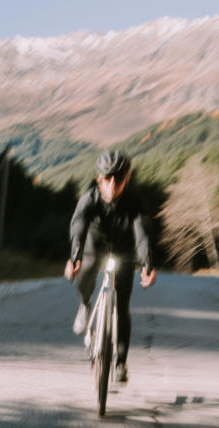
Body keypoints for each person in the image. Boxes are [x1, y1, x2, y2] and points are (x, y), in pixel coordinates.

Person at [65, 149, 157, 383]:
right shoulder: (90, 198)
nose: (112, 184)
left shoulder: (135, 203)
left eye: (118, 178)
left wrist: (147, 264)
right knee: (88, 265)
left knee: (123, 305)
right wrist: (74, 258)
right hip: (95, 244)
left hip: (123, 251)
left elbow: (143, 236)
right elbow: (78, 226)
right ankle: (85, 305)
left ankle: (121, 363)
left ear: (126, 178)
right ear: (99, 178)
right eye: (107, 178)